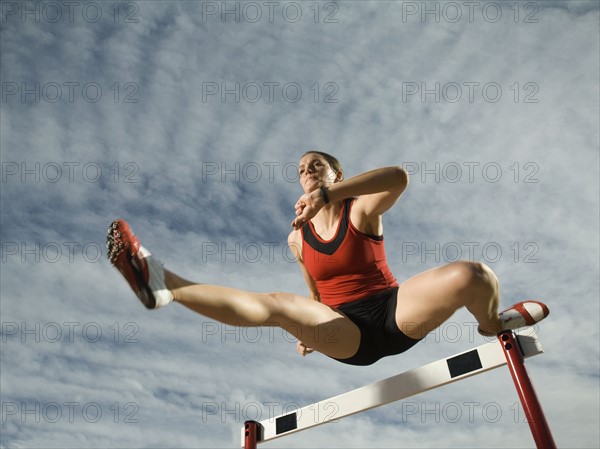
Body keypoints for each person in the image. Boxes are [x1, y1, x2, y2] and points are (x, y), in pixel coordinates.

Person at [106, 151, 549, 366]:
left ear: (336, 174)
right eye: (301, 169)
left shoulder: (361, 208)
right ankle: (165, 283)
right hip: (346, 333)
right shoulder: (297, 240)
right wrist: (307, 328)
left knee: (473, 274)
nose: (307, 171)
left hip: (396, 315)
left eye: (317, 164)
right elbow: (314, 293)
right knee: (279, 306)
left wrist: (330, 195)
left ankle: (492, 323)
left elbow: (398, 177)